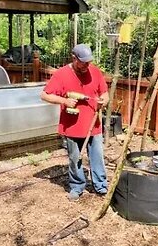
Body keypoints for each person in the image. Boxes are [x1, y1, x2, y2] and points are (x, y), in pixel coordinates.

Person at [40, 44, 109, 201]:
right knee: (74, 157)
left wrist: (103, 101)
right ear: (74, 58)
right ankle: (77, 186)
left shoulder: (95, 72)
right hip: (73, 126)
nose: (86, 65)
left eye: (88, 62)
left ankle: (101, 185)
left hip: (93, 125)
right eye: (83, 62)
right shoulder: (62, 74)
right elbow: (44, 95)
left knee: (97, 156)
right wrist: (64, 100)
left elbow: (105, 94)